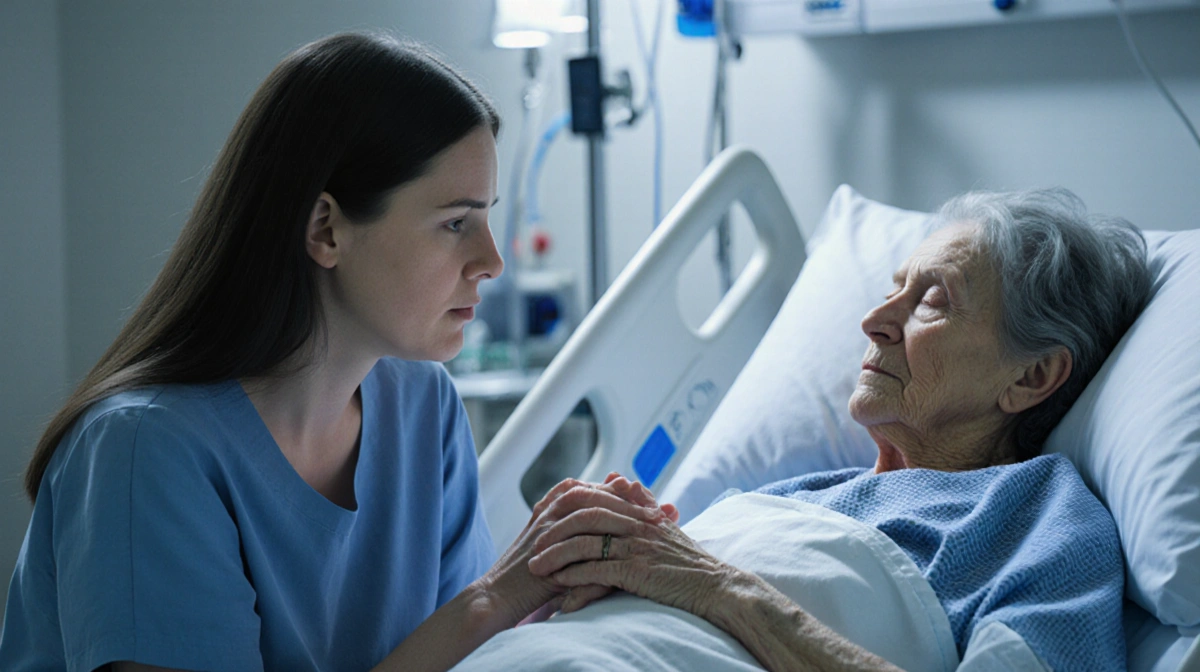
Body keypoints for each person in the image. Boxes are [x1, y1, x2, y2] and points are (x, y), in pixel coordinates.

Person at [0, 32, 674, 672]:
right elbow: (469, 616)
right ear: (326, 228)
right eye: (455, 223)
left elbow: (462, 654)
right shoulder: (146, 451)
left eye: (487, 219)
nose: (492, 261)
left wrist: (577, 570)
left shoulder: (423, 406)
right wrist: (494, 600)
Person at [453, 188, 1152, 671]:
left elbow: (702, 595)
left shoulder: (1041, 522)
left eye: (932, 301)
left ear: (1031, 378)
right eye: (892, 290)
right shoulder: (795, 493)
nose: (875, 321)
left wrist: (718, 588)